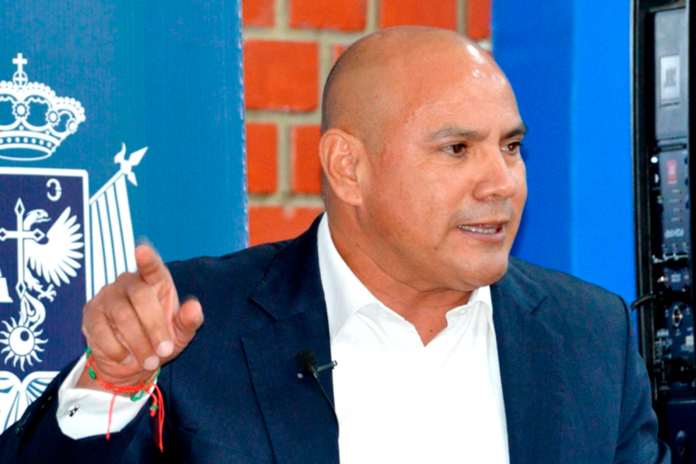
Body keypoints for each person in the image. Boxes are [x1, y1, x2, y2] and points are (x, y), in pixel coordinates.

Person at [0, 26, 669, 464]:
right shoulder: (195, 327)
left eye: (512, 147)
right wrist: (111, 386)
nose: (502, 182)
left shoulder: (590, 336)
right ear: (348, 167)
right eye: (457, 149)